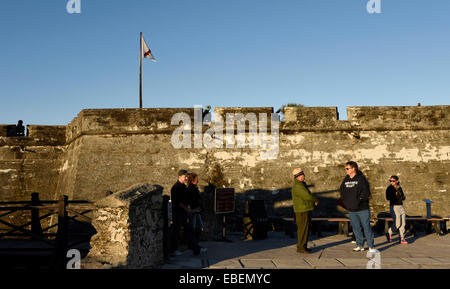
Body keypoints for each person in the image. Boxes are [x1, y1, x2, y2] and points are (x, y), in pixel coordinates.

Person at [339, 161, 376, 253]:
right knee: (356, 228)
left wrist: (358, 201)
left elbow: (366, 192)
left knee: (366, 227)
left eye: (347, 168)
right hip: (351, 209)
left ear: (353, 168)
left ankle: (371, 246)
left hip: (362, 209)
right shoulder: (346, 179)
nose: (346, 170)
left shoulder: (361, 179)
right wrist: (346, 203)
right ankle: (359, 245)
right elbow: (342, 191)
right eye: (345, 168)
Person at [170, 169, 206, 256]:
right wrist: (188, 209)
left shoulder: (183, 187)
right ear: (179, 176)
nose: (186, 178)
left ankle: (196, 249)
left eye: (187, 176)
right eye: (185, 176)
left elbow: (186, 200)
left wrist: (189, 208)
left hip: (184, 213)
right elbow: (178, 202)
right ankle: (173, 250)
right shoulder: (175, 187)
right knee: (176, 231)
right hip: (178, 213)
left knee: (189, 231)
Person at [291, 168, 318, 254]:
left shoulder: (300, 184)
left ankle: (302, 247)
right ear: (297, 177)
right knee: (303, 230)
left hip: (304, 209)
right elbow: (307, 196)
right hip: (302, 211)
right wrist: (315, 200)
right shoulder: (298, 186)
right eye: (302, 175)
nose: (304, 176)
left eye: (303, 174)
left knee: (304, 230)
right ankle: (301, 248)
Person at [385, 175, 408, 244]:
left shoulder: (399, 188)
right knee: (397, 223)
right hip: (394, 207)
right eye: (390, 181)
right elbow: (388, 198)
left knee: (403, 223)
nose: (391, 182)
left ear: (397, 181)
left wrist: (400, 196)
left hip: (401, 206)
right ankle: (389, 232)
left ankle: (402, 238)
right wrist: (396, 196)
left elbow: (403, 197)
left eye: (393, 181)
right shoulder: (389, 188)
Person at [186, 172, 204, 240]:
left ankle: (195, 242)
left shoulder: (194, 188)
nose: (198, 180)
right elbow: (190, 200)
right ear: (193, 179)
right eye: (196, 178)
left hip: (196, 210)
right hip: (193, 210)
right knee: (193, 228)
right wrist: (194, 208)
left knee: (199, 226)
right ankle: (193, 243)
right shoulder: (191, 188)